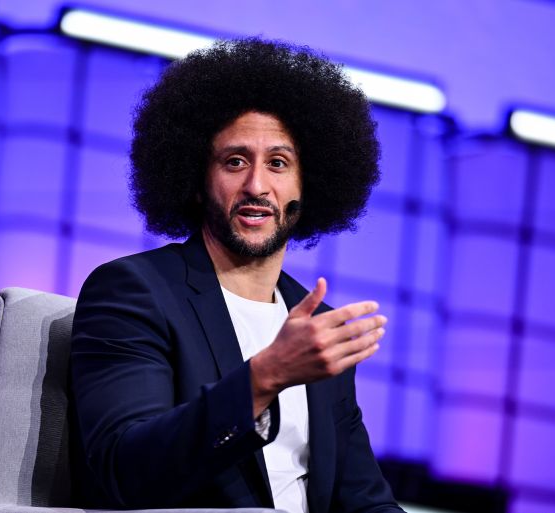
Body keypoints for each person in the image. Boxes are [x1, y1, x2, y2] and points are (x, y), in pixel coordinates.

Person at [70, 38, 404, 512]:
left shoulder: (316, 327)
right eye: (235, 162)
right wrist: (267, 376)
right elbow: (126, 470)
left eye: (278, 163)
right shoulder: (134, 291)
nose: (256, 185)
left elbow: (364, 500)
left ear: (307, 186)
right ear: (196, 180)